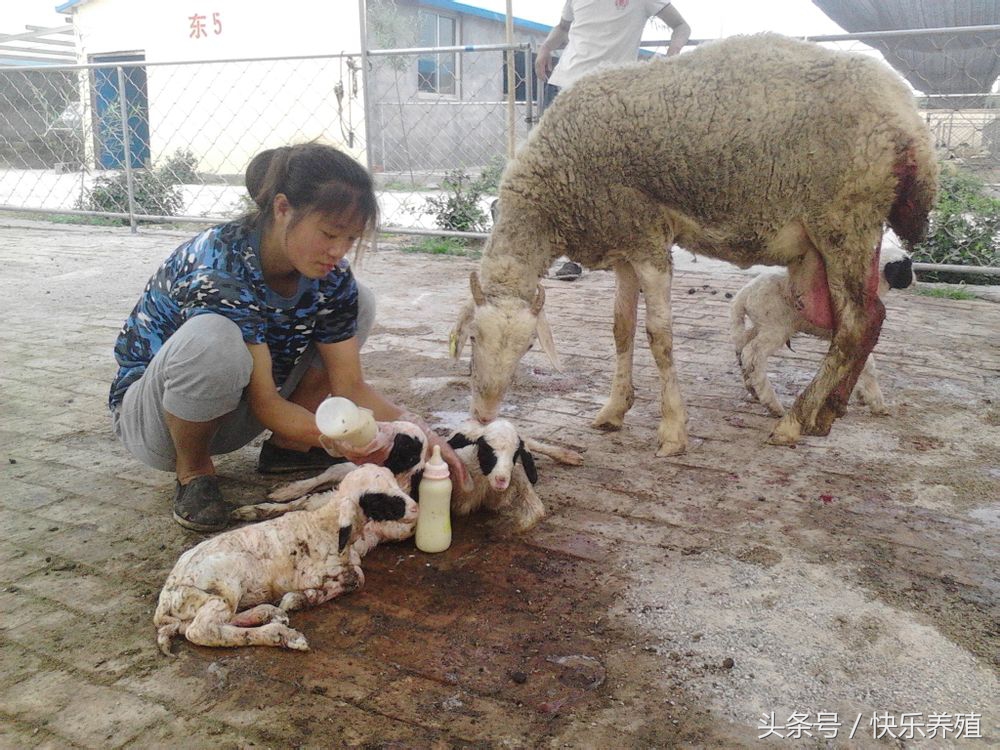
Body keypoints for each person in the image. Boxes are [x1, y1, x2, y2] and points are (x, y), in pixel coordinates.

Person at [109, 143, 468, 532]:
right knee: (214, 337)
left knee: (359, 300)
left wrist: (422, 434)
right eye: (330, 233)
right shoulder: (220, 266)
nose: (338, 251)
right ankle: (194, 472)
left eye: (350, 239)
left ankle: (289, 447)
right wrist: (353, 440)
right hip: (158, 420)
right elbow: (266, 403)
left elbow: (351, 386)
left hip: (232, 410)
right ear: (282, 209)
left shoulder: (330, 277)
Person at [534, 0, 691, 281]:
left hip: (611, 95)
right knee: (564, 180)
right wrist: (546, 47)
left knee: (622, 180)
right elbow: (563, 27)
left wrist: (672, 57)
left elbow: (681, 25)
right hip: (564, 87)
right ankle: (574, 257)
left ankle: (633, 255)